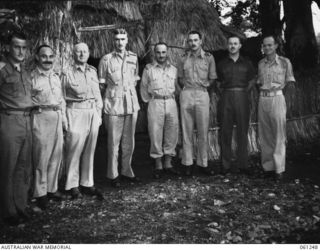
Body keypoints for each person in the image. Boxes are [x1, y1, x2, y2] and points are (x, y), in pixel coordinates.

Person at [98, 28, 140, 187]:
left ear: (127, 40)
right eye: (117, 39)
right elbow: (101, 86)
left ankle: (127, 171)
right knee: (113, 143)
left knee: (129, 142)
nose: (120, 42)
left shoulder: (134, 58)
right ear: (113, 41)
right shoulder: (106, 60)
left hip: (131, 105)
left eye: (123, 39)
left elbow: (135, 80)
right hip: (114, 106)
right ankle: (113, 175)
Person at [61, 42, 103, 199]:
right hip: (75, 112)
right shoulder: (67, 73)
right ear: (73, 54)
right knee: (74, 150)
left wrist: (98, 113)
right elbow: (62, 98)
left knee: (89, 149)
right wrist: (65, 119)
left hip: (92, 112)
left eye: (84, 51)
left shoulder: (92, 71)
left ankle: (87, 182)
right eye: (78, 51)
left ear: (88, 53)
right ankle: (72, 185)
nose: (81, 54)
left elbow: (97, 93)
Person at [0, 32, 34, 225]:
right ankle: (8, 211)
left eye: (23, 47)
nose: (21, 51)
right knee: (7, 167)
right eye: (16, 47)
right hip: (9, 121)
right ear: (8, 48)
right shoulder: (2, 70)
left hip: (27, 120)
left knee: (23, 166)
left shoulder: (25, 71)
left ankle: (21, 206)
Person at [31, 44, 66, 210]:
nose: (47, 60)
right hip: (40, 116)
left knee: (56, 155)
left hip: (56, 116)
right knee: (41, 157)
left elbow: (61, 100)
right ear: (37, 57)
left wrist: (64, 120)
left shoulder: (56, 76)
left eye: (51, 56)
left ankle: (52, 189)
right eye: (44, 56)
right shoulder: (31, 77)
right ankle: (40, 193)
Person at [177, 30, 217, 176]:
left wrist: (204, 87)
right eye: (190, 41)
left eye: (195, 40)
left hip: (202, 93)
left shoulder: (208, 58)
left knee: (203, 131)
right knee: (186, 130)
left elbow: (213, 77)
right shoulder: (182, 58)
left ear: (201, 41)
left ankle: (203, 163)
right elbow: (180, 78)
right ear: (188, 42)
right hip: (187, 93)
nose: (193, 43)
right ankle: (187, 163)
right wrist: (187, 89)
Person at [257, 35, 295, 180]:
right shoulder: (261, 63)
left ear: (276, 46)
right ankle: (268, 167)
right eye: (264, 45)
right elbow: (258, 83)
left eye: (270, 45)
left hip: (277, 98)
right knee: (265, 134)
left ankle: (279, 168)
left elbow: (290, 83)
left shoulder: (285, 62)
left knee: (279, 134)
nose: (267, 48)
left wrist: (284, 101)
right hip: (263, 99)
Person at [217, 36, 256, 175]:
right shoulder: (221, 64)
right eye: (230, 43)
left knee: (242, 132)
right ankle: (225, 165)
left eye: (235, 44)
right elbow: (217, 84)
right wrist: (226, 93)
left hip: (242, 97)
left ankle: (243, 165)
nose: (232, 46)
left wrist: (243, 92)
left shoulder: (247, 63)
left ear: (240, 46)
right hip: (226, 97)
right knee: (225, 131)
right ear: (227, 45)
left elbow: (252, 81)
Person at [140, 42, 180, 179]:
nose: (161, 55)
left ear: (167, 53)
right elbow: (143, 88)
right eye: (158, 52)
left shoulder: (174, 69)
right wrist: (149, 102)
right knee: (155, 133)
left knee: (172, 132)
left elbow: (177, 87)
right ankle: (158, 164)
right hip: (155, 102)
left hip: (170, 102)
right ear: (154, 53)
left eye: (163, 52)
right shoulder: (148, 69)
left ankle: (168, 163)